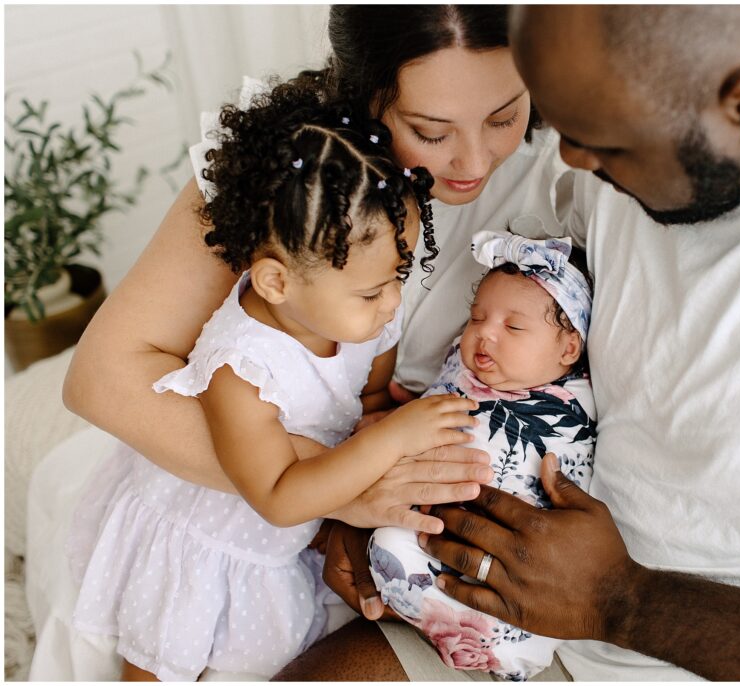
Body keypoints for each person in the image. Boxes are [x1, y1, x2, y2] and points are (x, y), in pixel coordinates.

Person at [285, 4, 740, 681]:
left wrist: (622, 602)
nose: (567, 159)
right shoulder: (635, 99)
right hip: (500, 608)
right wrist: (374, 500)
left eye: (598, 142)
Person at [41, 5, 572, 681]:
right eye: (429, 132)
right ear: (365, 91)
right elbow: (101, 381)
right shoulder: (294, 171)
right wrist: (337, 490)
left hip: (345, 484)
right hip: (231, 476)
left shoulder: (566, 167)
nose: (473, 161)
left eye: (504, 115)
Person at [67, 79, 481, 681]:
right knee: (162, 659)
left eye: (402, 272)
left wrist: (381, 417)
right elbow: (279, 496)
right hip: (209, 536)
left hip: (287, 527)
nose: (393, 301)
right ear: (275, 283)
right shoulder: (241, 369)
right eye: (372, 290)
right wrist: (385, 445)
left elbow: (364, 395)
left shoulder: (364, 315)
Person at [368, 230, 596, 680]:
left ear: (569, 349)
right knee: (388, 546)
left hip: (515, 556)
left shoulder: (574, 404)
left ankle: (500, 647)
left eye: (513, 327)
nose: (484, 334)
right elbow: (431, 401)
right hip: (432, 529)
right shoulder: (462, 363)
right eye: (477, 318)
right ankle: (449, 627)